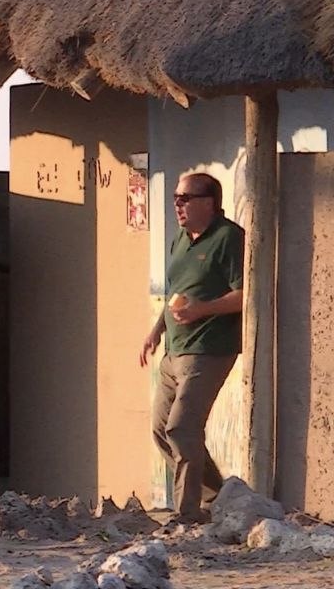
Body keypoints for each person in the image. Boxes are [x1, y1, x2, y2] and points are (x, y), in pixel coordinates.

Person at [139, 171, 244, 524]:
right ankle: (219, 496)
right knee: (160, 430)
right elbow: (174, 295)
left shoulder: (229, 238)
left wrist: (202, 310)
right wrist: (155, 331)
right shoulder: (179, 241)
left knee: (182, 428)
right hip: (174, 350)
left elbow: (246, 294)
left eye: (185, 198)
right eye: (175, 198)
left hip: (209, 349)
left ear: (209, 202)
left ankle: (186, 513)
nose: (178, 205)